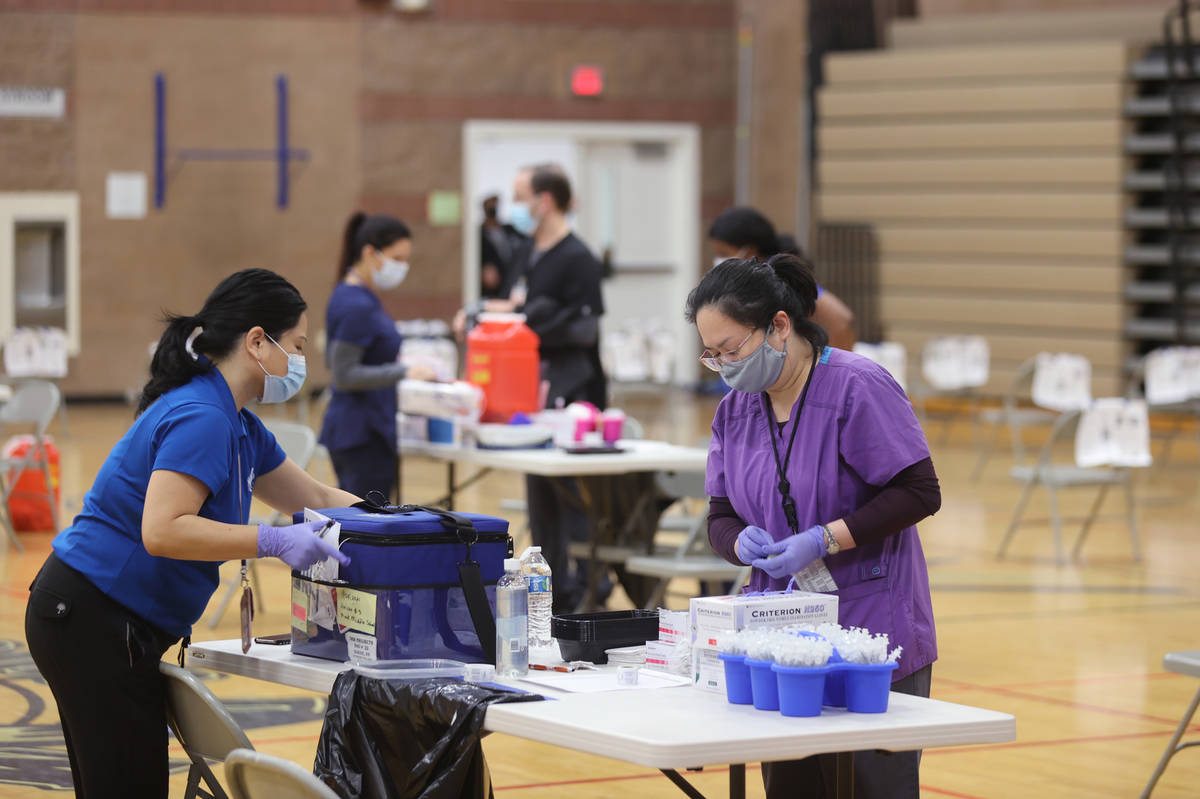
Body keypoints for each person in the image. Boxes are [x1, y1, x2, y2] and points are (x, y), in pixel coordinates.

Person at [25, 268, 360, 799]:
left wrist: (401, 519)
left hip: (101, 618)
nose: (301, 364)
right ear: (257, 342)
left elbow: (315, 498)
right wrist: (270, 541)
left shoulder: (241, 423)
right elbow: (163, 530)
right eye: (296, 347)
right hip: (92, 618)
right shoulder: (203, 415)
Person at [687, 253, 940, 799]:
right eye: (712, 355)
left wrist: (824, 538)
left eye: (732, 349)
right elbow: (720, 516)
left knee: (872, 786)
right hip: (782, 639)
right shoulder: (736, 410)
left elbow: (919, 492)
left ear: (780, 325)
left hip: (872, 633)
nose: (725, 365)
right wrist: (739, 542)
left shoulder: (857, 386)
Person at [457, 164, 607, 611]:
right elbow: (514, 302)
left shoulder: (578, 258)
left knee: (571, 495)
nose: (515, 207)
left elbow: (583, 329)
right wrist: (482, 310)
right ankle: (553, 589)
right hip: (530, 384)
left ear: (544, 201)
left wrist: (532, 321)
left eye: (521, 197)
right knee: (539, 494)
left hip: (572, 388)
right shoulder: (526, 251)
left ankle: (587, 587)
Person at [320, 212, 437, 500]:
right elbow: (343, 373)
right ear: (370, 253)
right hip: (361, 435)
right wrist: (404, 371)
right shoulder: (355, 303)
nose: (402, 267)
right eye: (396, 258)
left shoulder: (359, 296)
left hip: (368, 430)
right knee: (366, 530)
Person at [709, 206, 857, 350]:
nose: (720, 260)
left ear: (750, 250)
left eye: (724, 252)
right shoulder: (750, 280)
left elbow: (840, 319)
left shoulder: (778, 275)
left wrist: (830, 368)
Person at [479, 193, 528, 299]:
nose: (493, 207)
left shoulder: (509, 229)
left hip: (512, 278)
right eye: (490, 204)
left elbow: (528, 242)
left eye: (495, 203)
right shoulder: (478, 234)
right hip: (491, 287)